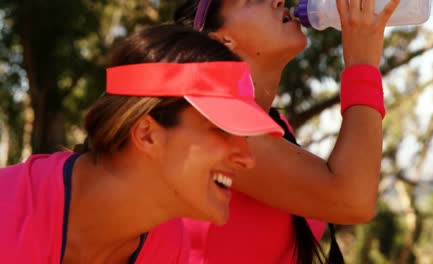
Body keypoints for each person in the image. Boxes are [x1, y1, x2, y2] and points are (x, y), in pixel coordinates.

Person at [0, 24, 284, 264]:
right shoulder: (8, 213)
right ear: (146, 133)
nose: (248, 159)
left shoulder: (170, 249)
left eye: (245, 137)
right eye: (222, 129)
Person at [174, 0, 400, 263]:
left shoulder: (279, 128)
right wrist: (362, 63)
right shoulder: (216, 127)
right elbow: (352, 199)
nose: (278, 0)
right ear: (223, 39)